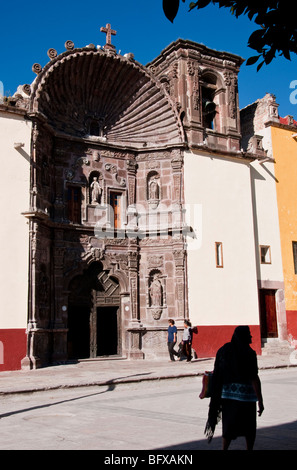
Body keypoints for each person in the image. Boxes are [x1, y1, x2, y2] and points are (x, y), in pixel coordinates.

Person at [205, 325, 264, 450]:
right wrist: (260, 400)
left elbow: (218, 371)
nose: (251, 336)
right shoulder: (250, 353)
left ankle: (224, 449)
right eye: (249, 334)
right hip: (247, 398)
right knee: (249, 427)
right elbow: (254, 378)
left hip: (228, 396)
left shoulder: (224, 350)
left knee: (229, 425)